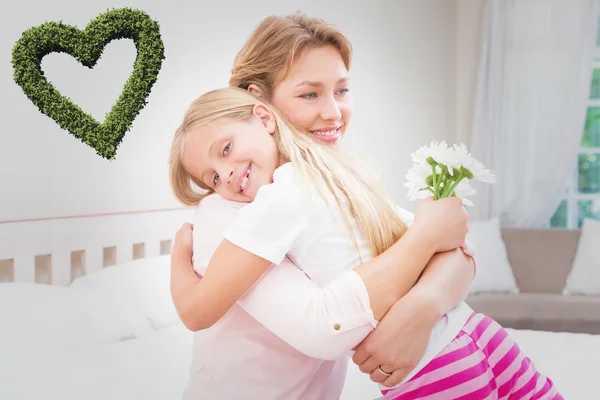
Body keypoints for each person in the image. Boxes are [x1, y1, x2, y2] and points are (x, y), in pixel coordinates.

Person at [170, 86, 562, 399]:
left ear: (263, 117)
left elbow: (196, 312)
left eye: (225, 150)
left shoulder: (276, 201)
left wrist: (178, 255)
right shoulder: (338, 173)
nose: (226, 175)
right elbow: (452, 245)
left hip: (429, 369)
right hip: (476, 332)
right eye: (212, 179)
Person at [169, 13, 475, 399]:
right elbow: (324, 328)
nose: (333, 113)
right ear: (260, 102)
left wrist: (424, 307)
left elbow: (459, 250)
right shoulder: (229, 210)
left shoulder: (324, 180)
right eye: (309, 94)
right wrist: (427, 237)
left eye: (341, 91)